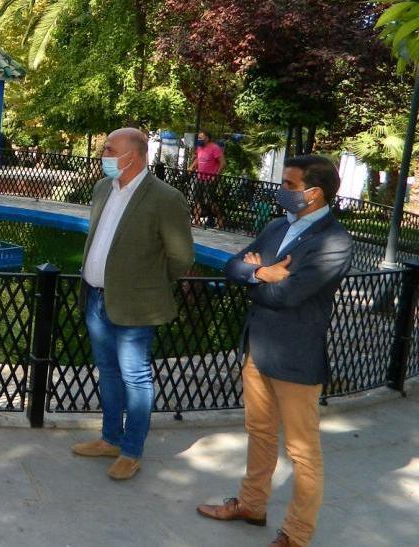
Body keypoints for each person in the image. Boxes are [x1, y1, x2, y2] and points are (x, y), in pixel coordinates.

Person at [197, 155, 352, 547]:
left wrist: (258, 277)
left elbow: (290, 295)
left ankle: (296, 536)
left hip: (296, 358)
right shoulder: (275, 227)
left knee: (303, 453)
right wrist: (263, 272)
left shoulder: (335, 241)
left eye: (289, 184)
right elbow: (232, 267)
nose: (281, 190)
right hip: (257, 348)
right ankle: (251, 505)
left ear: (314, 193)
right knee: (259, 433)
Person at [71, 128, 194, 480]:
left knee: (136, 377)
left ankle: (131, 450)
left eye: (110, 148)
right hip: (96, 299)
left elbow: (181, 257)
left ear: (134, 156)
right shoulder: (101, 189)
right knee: (108, 372)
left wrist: (147, 284)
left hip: (137, 307)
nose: (103, 153)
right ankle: (110, 438)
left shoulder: (164, 198)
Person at [188, 130, 226, 228]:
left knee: (210, 202)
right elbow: (198, 159)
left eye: (201, 138)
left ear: (207, 138)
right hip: (199, 177)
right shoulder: (199, 148)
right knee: (196, 200)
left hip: (210, 179)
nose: (199, 139)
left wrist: (216, 175)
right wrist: (192, 167)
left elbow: (223, 163)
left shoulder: (215, 148)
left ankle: (220, 219)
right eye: (198, 138)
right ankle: (196, 220)